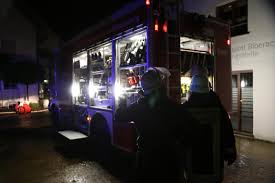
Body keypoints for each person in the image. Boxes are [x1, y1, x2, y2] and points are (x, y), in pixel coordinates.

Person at [115, 67, 196, 183]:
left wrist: (122, 101)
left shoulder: (137, 108)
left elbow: (118, 116)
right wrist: (181, 146)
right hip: (170, 161)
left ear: (143, 89)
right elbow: (192, 127)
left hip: (146, 160)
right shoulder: (174, 107)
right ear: (160, 86)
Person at [182, 73, 237, 182]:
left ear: (191, 90)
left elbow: (179, 137)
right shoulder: (219, 109)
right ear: (208, 89)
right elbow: (227, 135)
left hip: (192, 169)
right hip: (215, 169)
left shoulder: (184, 110)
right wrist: (230, 154)